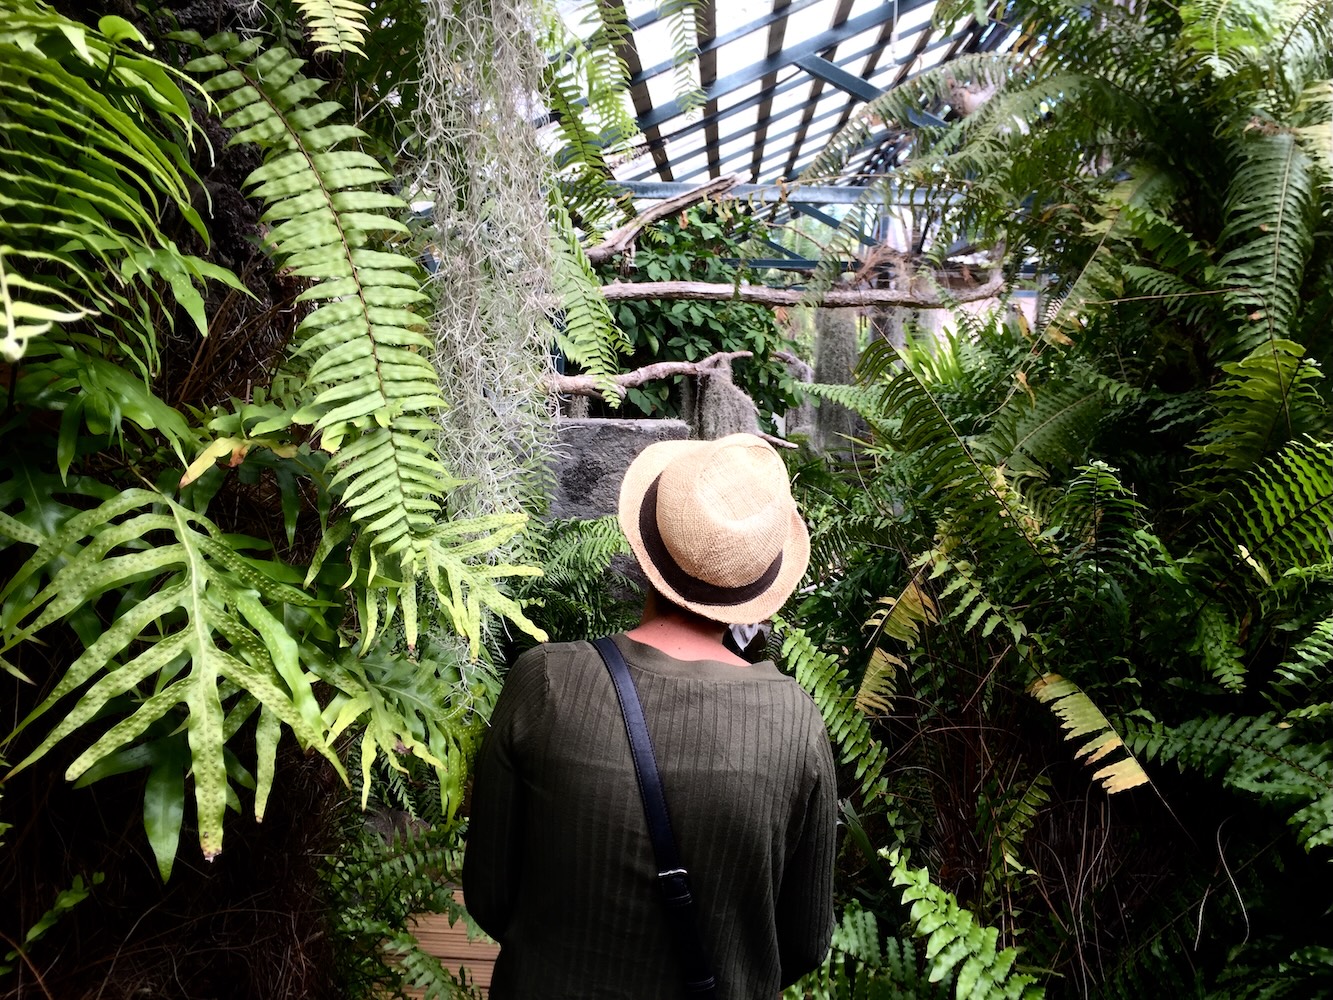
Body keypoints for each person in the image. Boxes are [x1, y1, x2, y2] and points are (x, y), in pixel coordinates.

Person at [463, 433, 837, 999]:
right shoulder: (796, 725)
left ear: (645, 551)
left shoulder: (545, 682)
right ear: (756, 587)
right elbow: (805, 942)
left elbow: (489, 893)